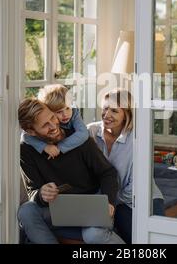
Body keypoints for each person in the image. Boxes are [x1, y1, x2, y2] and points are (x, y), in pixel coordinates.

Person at [17, 98, 125, 244]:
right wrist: (41, 193)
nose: (54, 125)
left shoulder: (78, 138)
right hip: (56, 210)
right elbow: (32, 191)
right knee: (26, 211)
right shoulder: (26, 149)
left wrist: (109, 202)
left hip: (89, 206)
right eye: (45, 125)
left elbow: (108, 173)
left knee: (93, 235)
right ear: (31, 131)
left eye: (52, 117)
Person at [87, 88, 164, 244]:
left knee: (146, 241)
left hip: (141, 199)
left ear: (126, 115)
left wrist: (109, 203)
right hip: (107, 201)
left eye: (114, 111)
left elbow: (136, 187)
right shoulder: (91, 132)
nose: (107, 115)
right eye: (105, 108)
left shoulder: (139, 138)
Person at [22, 84, 88, 159]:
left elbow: (83, 133)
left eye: (67, 108)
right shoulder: (48, 120)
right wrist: (45, 147)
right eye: (59, 112)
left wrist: (59, 147)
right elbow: (26, 136)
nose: (65, 114)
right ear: (48, 111)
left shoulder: (74, 113)